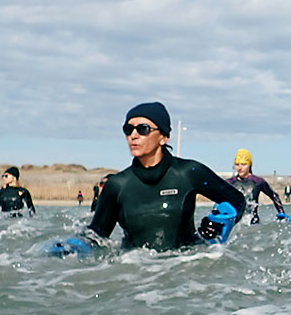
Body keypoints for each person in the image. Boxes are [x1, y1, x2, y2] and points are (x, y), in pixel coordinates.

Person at [86, 102, 246, 250]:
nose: (133, 135)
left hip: (183, 270)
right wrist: (73, 248)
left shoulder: (189, 173)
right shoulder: (117, 185)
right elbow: (96, 237)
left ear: (163, 137)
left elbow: (237, 200)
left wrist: (222, 220)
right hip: (135, 272)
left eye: (142, 129)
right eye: (128, 129)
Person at [226, 149, 291, 224]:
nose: (240, 168)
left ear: (249, 165)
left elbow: (274, 195)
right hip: (235, 222)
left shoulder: (257, 182)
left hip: (253, 221)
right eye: (237, 165)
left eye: (243, 164)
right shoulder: (230, 182)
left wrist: (281, 213)